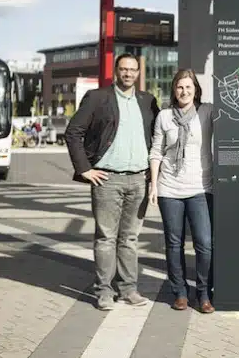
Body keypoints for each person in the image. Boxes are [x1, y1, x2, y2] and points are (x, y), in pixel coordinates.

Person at [65, 53, 160, 310]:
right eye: (123, 69)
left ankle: (128, 289)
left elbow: (158, 137)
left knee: (129, 238)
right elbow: (73, 132)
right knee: (106, 237)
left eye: (132, 70)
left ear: (139, 72)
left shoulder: (148, 101)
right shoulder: (98, 98)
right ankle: (104, 291)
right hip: (107, 180)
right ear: (116, 71)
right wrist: (84, 168)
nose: (128, 74)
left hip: (139, 179)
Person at [148, 69, 215, 314]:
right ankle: (180, 293)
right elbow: (157, 151)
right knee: (174, 243)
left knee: (205, 244)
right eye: (179, 87)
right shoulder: (165, 116)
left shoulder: (207, 112)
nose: (184, 91)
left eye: (188, 87)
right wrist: (153, 185)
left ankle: (204, 292)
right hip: (169, 188)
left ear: (196, 89)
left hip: (200, 187)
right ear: (174, 90)